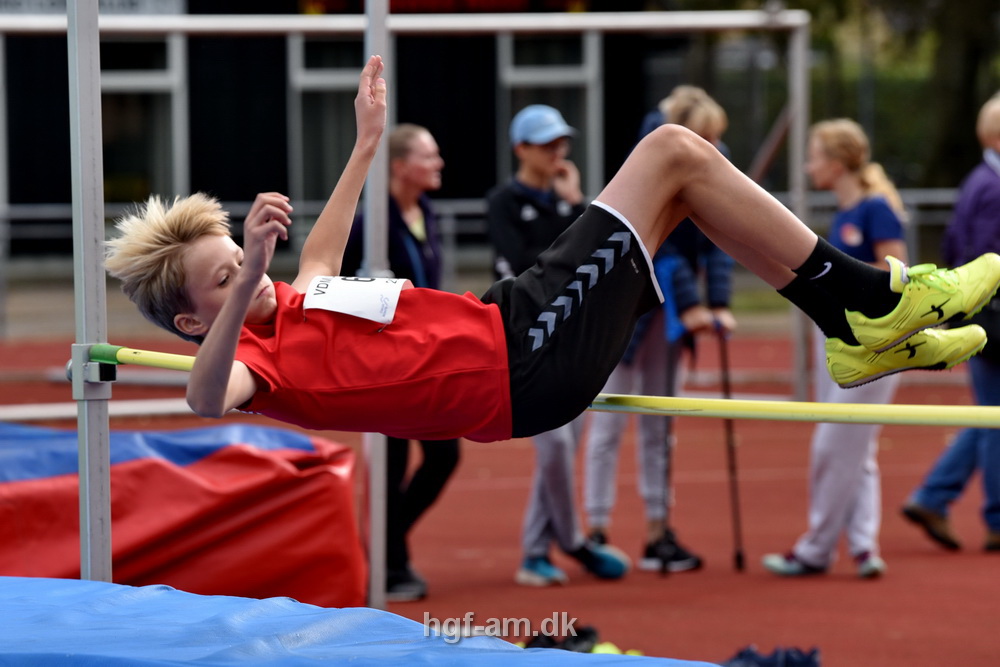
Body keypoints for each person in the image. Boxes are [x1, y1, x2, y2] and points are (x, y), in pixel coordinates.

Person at [104, 56, 996, 486]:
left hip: (516, 323)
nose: (250, 279)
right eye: (223, 282)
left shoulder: (301, 296)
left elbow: (327, 249)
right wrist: (251, 260)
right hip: (520, 357)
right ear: (193, 321)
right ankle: (871, 301)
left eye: (240, 261)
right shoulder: (256, 370)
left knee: (681, 180)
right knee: (671, 149)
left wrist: (369, 138)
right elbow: (201, 396)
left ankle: (852, 325)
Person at [584, 86, 735, 573]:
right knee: (608, 419)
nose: (713, 150)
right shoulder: (648, 162)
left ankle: (657, 528)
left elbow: (720, 235)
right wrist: (693, 303)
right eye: (706, 138)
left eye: (716, 141)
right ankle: (597, 529)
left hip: (671, 312)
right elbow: (654, 242)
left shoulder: (714, 163)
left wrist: (720, 302)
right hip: (628, 305)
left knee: (660, 421)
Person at [487, 104, 630, 586]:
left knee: (562, 444)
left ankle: (535, 552)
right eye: (547, 144)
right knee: (555, 446)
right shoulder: (504, 201)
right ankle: (572, 542)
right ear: (520, 149)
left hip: (565, 334)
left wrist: (575, 204)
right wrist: (571, 212)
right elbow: (529, 263)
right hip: (516, 339)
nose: (558, 152)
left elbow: (577, 258)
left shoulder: (567, 202)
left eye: (561, 143)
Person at [762, 118, 908, 578]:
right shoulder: (846, 213)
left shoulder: (876, 209)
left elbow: (895, 276)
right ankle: (864, 546)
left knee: (833, 443)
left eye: (815, 155)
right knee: (855, 447)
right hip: (841, 336)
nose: (808, 167)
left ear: (839, 161)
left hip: (875, 342)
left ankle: (817, 549)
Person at [342, 123, 459, 601]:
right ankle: (390, 563)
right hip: (386, 363)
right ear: (400, 167)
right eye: (428, 157)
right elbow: (341, 285)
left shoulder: (425, 212)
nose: (438, 164)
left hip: (425, 356)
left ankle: (387, 548)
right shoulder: (371, 226)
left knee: (443, 455)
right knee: (390, 463)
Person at [901, 93, 1000, 553]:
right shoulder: (993, 187)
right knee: (994, 418)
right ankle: (994, 517)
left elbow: (952, 249)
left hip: (980, 315)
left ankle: (934, 496)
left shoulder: (977, 181)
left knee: (988, 414)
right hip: (992, 319)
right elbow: (985, 259)